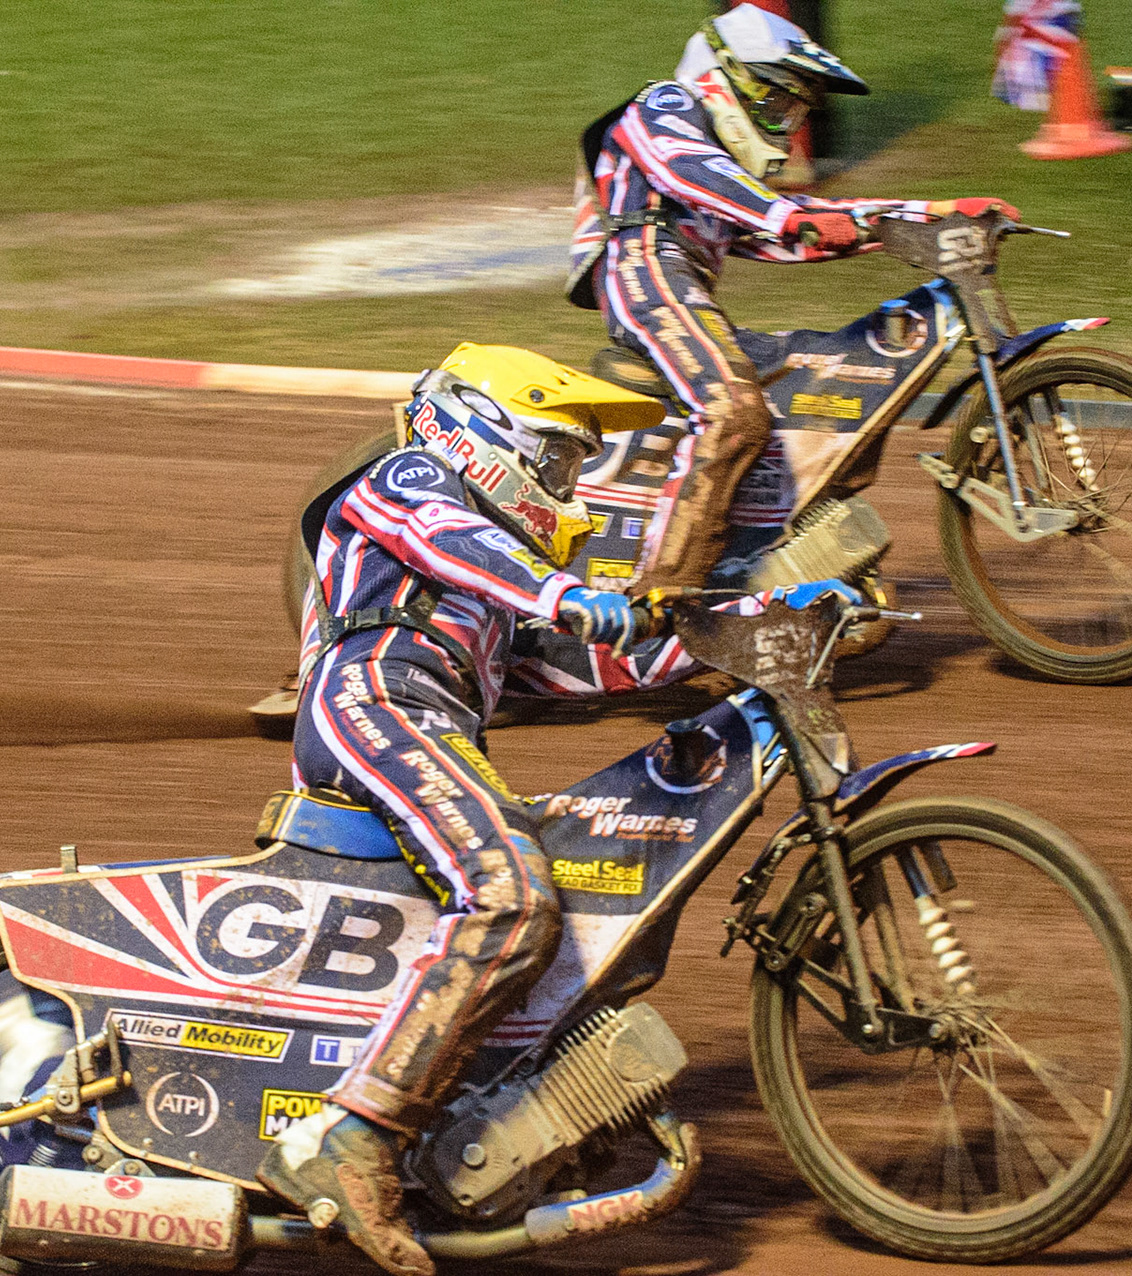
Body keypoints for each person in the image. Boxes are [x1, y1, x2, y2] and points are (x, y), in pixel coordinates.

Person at [257, 343, 857, 1276]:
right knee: (512, 893)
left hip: (425, 722)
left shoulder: (492, 596)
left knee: (571, 911)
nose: (569, 484)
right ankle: (354, 1136)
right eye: (559, 457)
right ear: (486, 432)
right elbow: (454, 540)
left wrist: (758, 617)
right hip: (373, 702)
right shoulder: (406, 479)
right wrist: (566, 594)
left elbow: (603, 661)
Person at [567, 6, 1019, 592]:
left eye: (794, 109)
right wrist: (787, 216)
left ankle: (756, 563)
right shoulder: (666, 104)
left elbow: (797, 230)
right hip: (644, 274)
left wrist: (935, 213)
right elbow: (689, 170)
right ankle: (666, 588)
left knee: (821, 386)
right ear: (728, 76)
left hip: (684, 289)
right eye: (777, 102)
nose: (783, 121)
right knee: (734, 411)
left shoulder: (731, 180)